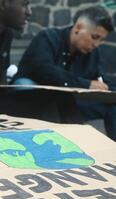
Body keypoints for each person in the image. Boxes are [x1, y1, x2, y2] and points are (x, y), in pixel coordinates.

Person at [13, 6, 116, 141]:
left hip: (67, 101)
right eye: (95, 37)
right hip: (36, 97)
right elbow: (42, 70)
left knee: (112, 104)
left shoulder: (92, 53)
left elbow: (101, 80)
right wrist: (86, 84)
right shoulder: (48, 37)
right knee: (25, 85)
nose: (96, 44)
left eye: (100, 40)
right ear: (78, 28)